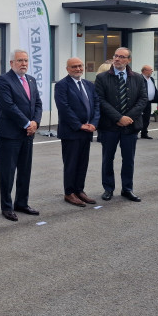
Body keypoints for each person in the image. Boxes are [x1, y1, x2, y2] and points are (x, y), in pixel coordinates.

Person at [0, 49, 43, 221]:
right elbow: (8, 106)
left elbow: (38, 103)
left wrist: (35, 122)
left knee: (25, 170)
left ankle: (22, 203)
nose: (24, 64)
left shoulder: (31, 80)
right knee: (8, 172)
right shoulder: (3, 80)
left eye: (26, 60)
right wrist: (26, 123)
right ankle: (7, 207)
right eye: (20, 60)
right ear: (11, 63)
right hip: (10, 134)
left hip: (28, 134)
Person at [95, 47, 147, 202]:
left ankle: (127, 189)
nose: (117, 59)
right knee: (107, 159)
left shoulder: (138, 78)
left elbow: (143, 100)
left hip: (130, 126)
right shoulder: (102, 78)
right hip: (109, 126)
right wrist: (118, 117)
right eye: (116, 56)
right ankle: (108, 188)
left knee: (128, 160)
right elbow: (101, 100)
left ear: (128, 60)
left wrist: (127, 118)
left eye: (122, 57)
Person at [54, 57, 100, 207]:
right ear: (67, 69)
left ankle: (79, 190)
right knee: (71, 163)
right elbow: (64, 108)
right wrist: (79, 125)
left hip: (87, 131)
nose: (78, 69)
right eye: (74, 67)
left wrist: (93, 123)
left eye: (80, 66)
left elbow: (96, 104)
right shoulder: (62, 85)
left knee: (82, 163)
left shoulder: (88, 84)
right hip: (72, 132)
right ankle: (69, 193)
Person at [140, 65, 158, 139]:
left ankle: (144, 133)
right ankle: (134, 133)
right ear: (144, 71)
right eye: (150, 70)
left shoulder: (151, 79)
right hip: (140, 101)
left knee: (146, 118)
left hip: (148, 102)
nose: (152, 71)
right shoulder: (139, 78)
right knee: (138, 118)